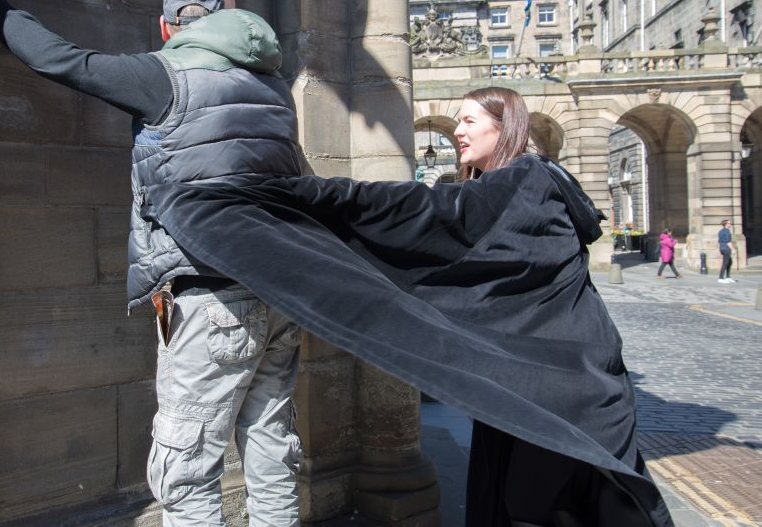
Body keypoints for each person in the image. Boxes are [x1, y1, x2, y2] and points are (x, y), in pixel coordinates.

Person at [142, 86, 673, 526]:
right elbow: (481, 261)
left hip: (566, 384)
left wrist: (295, 194)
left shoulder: (523, 182)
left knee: (548, 507)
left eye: (469, 121)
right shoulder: (519, 189)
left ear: (503, 126)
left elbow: (417, 210)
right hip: (555, 378)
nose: (458, 131)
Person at [0, 0, 302, 527]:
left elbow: (61, 59)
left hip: (209, 299)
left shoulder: (163, 75)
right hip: (280, 294)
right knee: (272, 456)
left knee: (187, 473)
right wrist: (237, 13)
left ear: (167, 29)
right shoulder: (274, 89)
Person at [718, 219, 736, 283]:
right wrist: (733, 249)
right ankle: (721, 278)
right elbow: (728, 242)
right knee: (725, 263)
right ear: (725, 224)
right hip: (726, 248)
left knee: (729, 262)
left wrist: (721, 248)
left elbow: (719, 241)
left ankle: (728, 277)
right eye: (729, 223)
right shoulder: (727, 232)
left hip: (722, 248)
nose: (730, 224)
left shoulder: (721, 231)